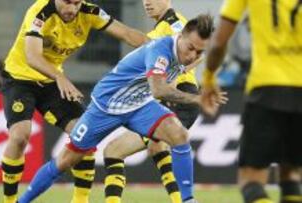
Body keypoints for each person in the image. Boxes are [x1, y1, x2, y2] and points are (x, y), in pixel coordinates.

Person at [19, 14, 225, 203]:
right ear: (180, 36)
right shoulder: (160, 50)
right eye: (190, 48)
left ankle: (187, 200)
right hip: (107, 105)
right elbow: (158, 90)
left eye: (199, 51)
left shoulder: (187, 53)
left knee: (179, 134)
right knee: (64, 161)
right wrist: (198, 98)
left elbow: (171, 76)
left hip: (139, 105)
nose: (193, 55)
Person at [0, 0, 148, 203]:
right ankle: (9, 201)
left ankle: (80, 200)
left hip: (52, 81)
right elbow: (32, 56)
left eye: (77, 3)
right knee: (20, 136)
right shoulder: (40, 12)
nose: (72, 9)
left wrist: (166, 48)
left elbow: (128, 34)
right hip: (20, 79)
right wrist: (60, 78)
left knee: (84, 132)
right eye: (67, 2)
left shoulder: (91, 12)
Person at [200, 0, 302, 203]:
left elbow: (219, 42)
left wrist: (209, 77)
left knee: (250, 181)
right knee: (291, 173)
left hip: (265, 89)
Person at [102, 0, 201, 202]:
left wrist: (173, 79)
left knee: (113, 151)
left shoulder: (174, 24)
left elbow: (199, 54)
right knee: (156, 147)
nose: (147, 2)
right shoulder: (162, 26)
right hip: (173, 100)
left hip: (177, 99)